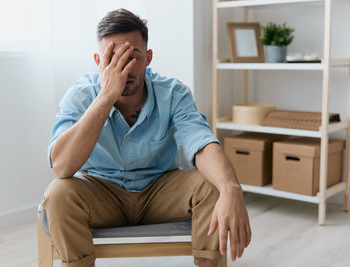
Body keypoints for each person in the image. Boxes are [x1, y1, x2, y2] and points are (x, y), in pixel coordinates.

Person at [42, 8, 251, 267]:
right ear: (98, 61)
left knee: (212, 185)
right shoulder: (81, 95)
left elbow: (201, 142)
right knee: (58, 194)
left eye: (133, 56)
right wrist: (105, 97)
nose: (124, 68)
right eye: (112, 57)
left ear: (149, 57)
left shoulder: (173, 93)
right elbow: (62, 166)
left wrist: (231, 187)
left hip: (160, 190)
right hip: (101, 193)